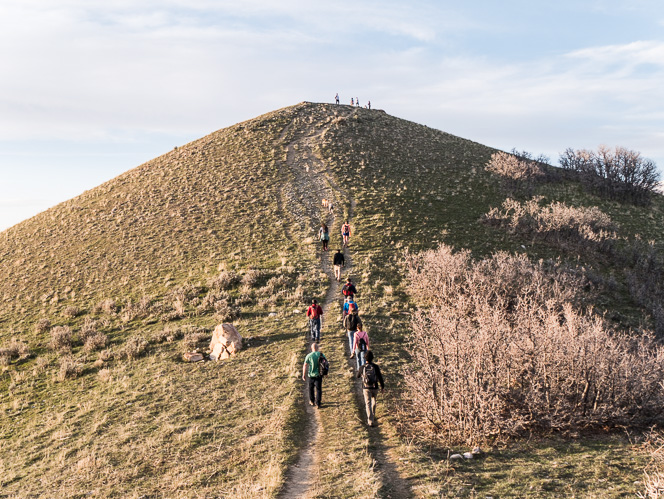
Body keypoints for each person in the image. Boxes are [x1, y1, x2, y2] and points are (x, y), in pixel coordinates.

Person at [357, 350, 384, 426]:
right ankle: (373, 415)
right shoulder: (375, 367)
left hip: (366, 387)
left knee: (368, 403)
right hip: (375, 387)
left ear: (365, 358)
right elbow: (380, 377)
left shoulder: (362, 367)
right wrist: (382, 386)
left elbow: (357, 376)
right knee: (374, 400)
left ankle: (370, 420)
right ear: (372, 358)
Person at [302, 343, 327, 408]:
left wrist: (303, 374)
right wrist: (325, 373)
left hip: (311, 375)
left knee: (311, 389)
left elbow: (305, 365)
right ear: (317, 348)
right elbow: (325, 364)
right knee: (318, 389)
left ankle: (312, 401)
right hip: (319, 375)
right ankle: (318, 403)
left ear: (311, 348)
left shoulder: (309, 355)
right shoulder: (321, 354)